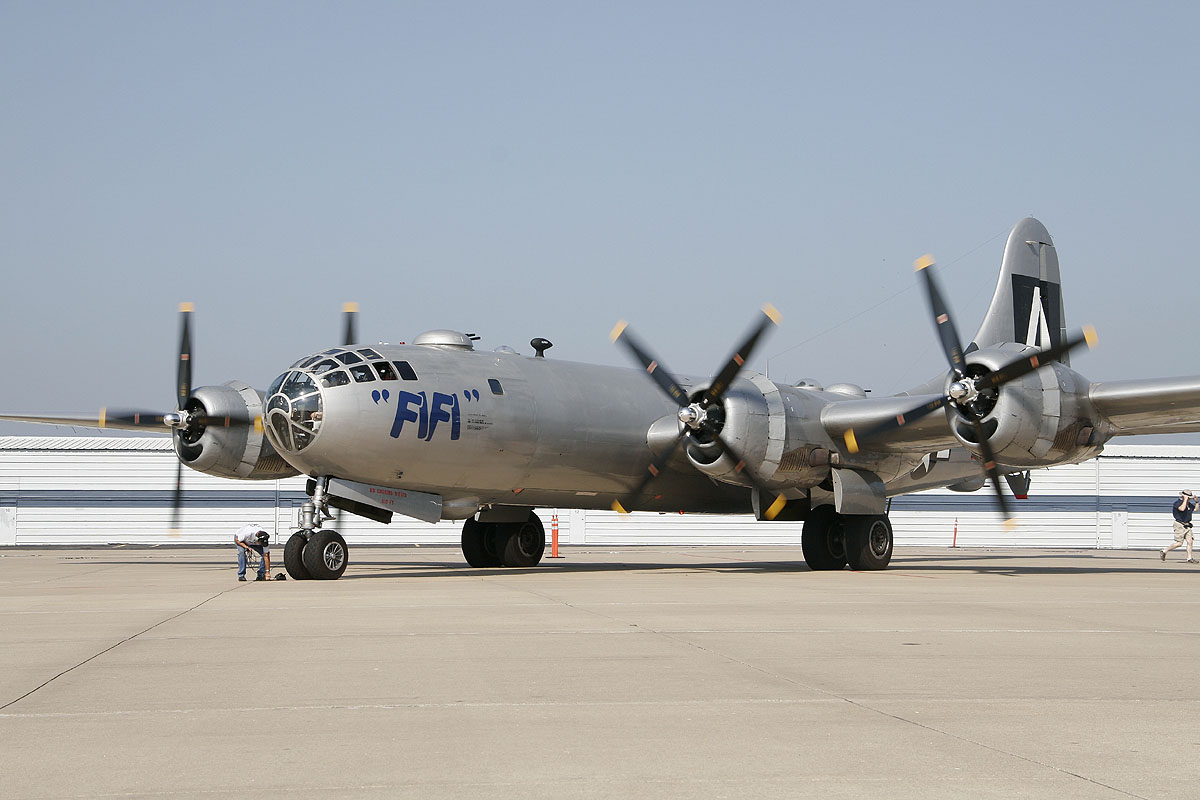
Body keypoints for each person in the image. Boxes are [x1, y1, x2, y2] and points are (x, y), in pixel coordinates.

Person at [1161, 490, 1198, 563]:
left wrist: (1197, 502)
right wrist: (1185, 500)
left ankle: (1189, 558)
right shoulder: (1177, 503)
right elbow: (1182, 509)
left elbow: (1196, 509)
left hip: (1187, 525)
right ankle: (1164, 550)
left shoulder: (1189, 504)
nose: (1189, 499)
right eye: (1188, 497)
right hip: (1179, 525)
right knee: (1179, 543)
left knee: (1190, 541)